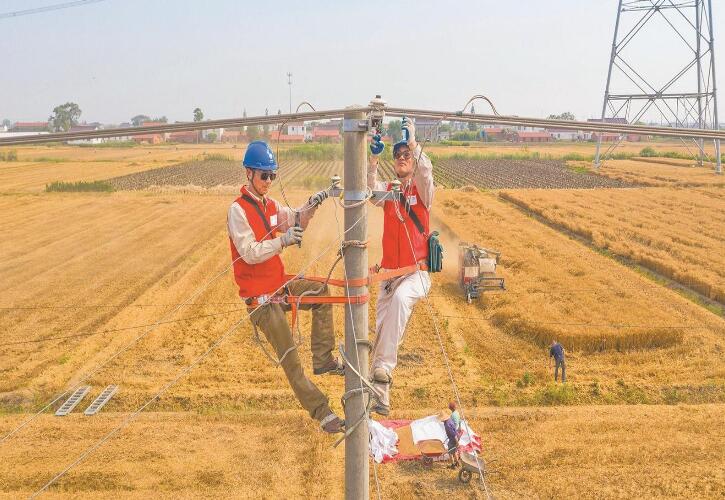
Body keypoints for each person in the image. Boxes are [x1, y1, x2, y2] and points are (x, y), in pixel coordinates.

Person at [227, 140, 344, 434]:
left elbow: (294, 219)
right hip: (262, 302)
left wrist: (317, 201)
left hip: (279, 286)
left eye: (272, 176)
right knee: (290, 359)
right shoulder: (238, 211)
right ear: (248, 174)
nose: (268, 181)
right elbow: (249, 252)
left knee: (320, 293)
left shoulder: (270, 205)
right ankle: (322, 412)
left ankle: (323, 359)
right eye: (263, 175)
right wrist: (283, 240)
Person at [367, 118, 435, 416]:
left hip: (416, 274)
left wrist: (415, 143)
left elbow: (426, 174)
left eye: (406, 154)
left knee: (399, 301)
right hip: (389, 276)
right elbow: (370, 191)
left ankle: (382, 373)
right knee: (381, 335)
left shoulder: (421, 192)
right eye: (399, 156)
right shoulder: (390, 191)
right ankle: (378, 394)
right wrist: (372, 158)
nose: (403, 158)